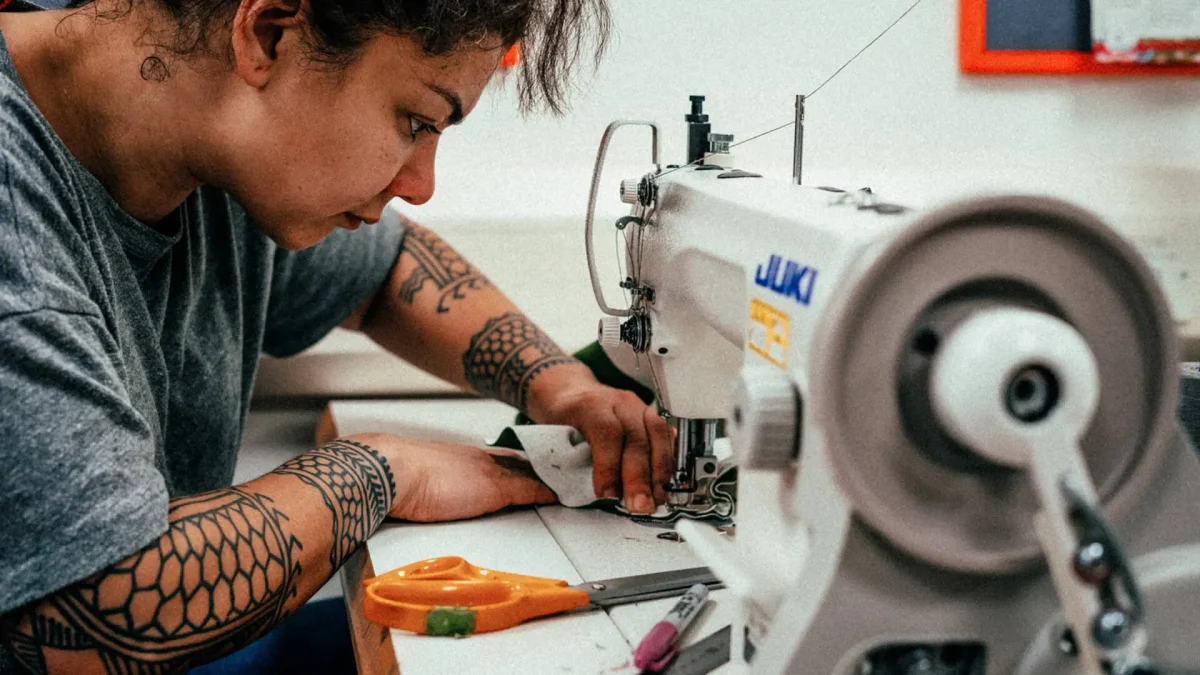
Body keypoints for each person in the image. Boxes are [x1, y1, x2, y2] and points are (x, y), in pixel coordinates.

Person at [0, 0, 676, 671]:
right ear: (267, 34)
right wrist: (382, 471)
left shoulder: (200, 138)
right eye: (416, 121)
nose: (422, 184)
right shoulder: (17, 232)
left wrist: (558, 384)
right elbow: (99, 611)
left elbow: (387, 274)